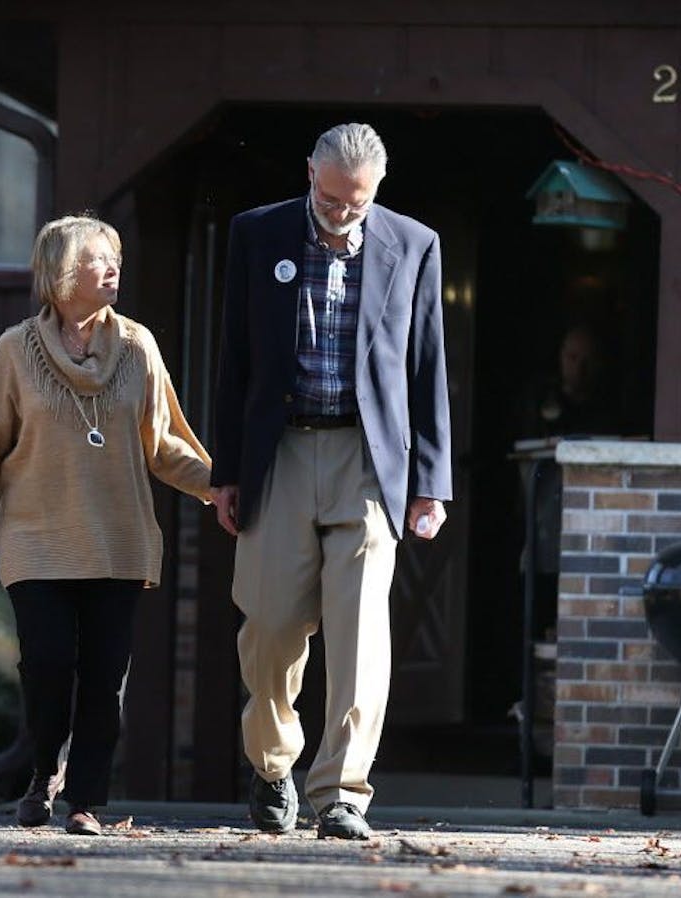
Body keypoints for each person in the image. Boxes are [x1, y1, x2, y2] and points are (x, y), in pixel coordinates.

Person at [210, 123, 452, 840]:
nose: (344, 213)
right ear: (310, 172)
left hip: (367, 459)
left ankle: (342, 793)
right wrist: (228, 471)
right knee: (271, 624)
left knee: (359, 634)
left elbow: (428, 365)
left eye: (359, 202)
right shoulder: (258, 234)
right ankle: (272, 765)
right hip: (280, 450)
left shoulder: (413, 244)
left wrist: (430, 482)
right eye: (332, 197)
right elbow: (235, 358)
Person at [0, 214, 211, 836]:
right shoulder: (14, 350)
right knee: (44, 666)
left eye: (114, 257)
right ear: (61, 272)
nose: (111, 268)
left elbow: (164, 442)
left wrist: (224, 486)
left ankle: (87, 801)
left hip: (119, 538)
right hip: (37, 539)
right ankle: (46, 770)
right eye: (97, 259)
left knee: (104, 680)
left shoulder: (137, 346)